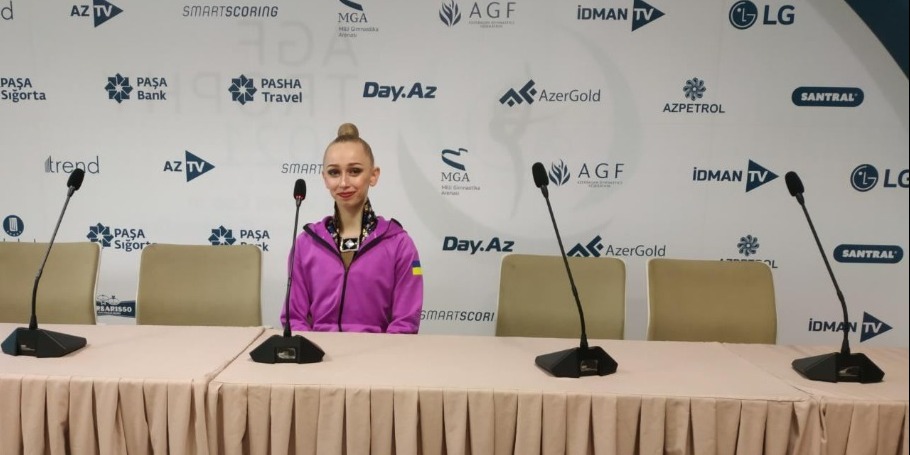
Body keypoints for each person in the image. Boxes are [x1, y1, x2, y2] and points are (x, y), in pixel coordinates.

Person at [282, 123, 423, 333]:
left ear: (373, 175)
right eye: (334, 172)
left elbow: (405, 322)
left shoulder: (399, 244)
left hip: (379, 351)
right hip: (318, 351)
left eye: (354, 171)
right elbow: (294, 319)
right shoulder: (305, 243)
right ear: (324, 178)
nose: (343, 182)